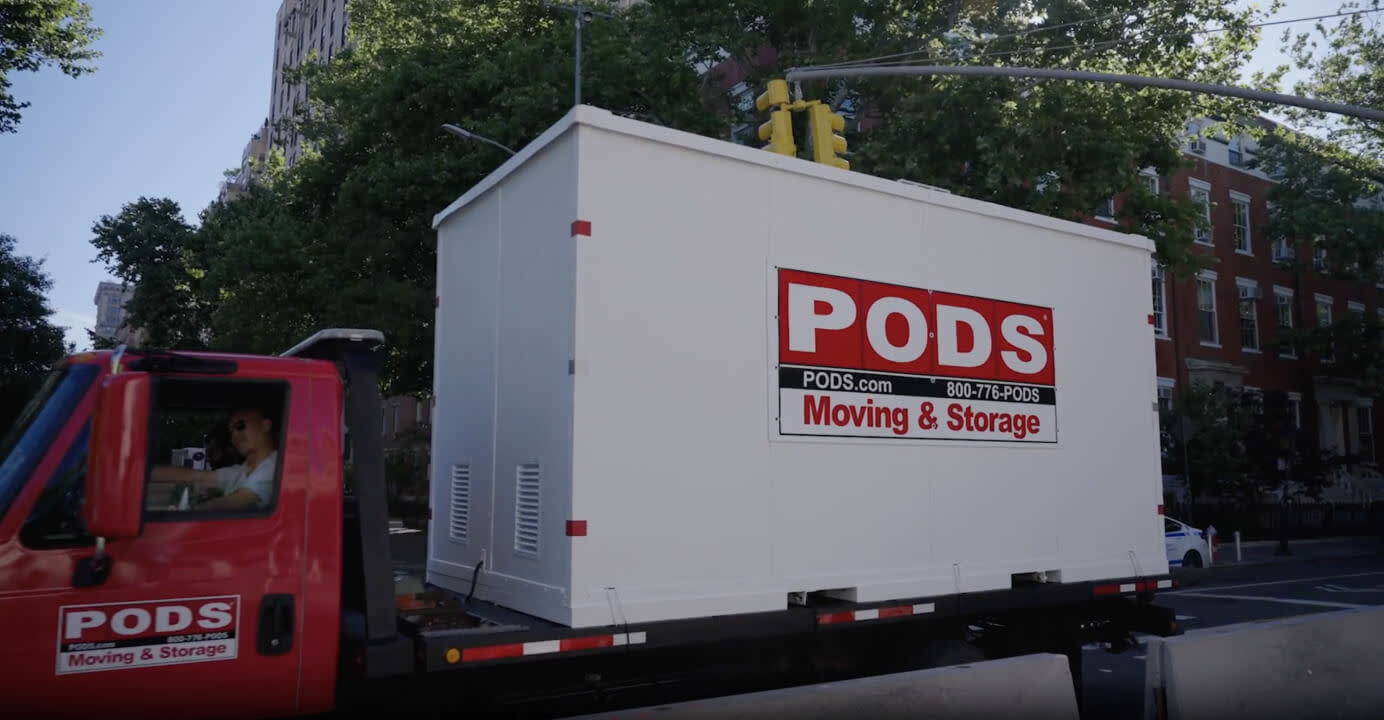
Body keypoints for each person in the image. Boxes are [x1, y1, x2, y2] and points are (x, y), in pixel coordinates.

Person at [151, 406, 279, 511]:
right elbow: (193, 475)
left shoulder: (276, 465)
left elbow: (239, 500)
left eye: (240, 426)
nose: (234, 435)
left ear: (265, 425)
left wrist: (190, 512)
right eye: (231, 432)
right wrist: (141, 472)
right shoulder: (241, 471)